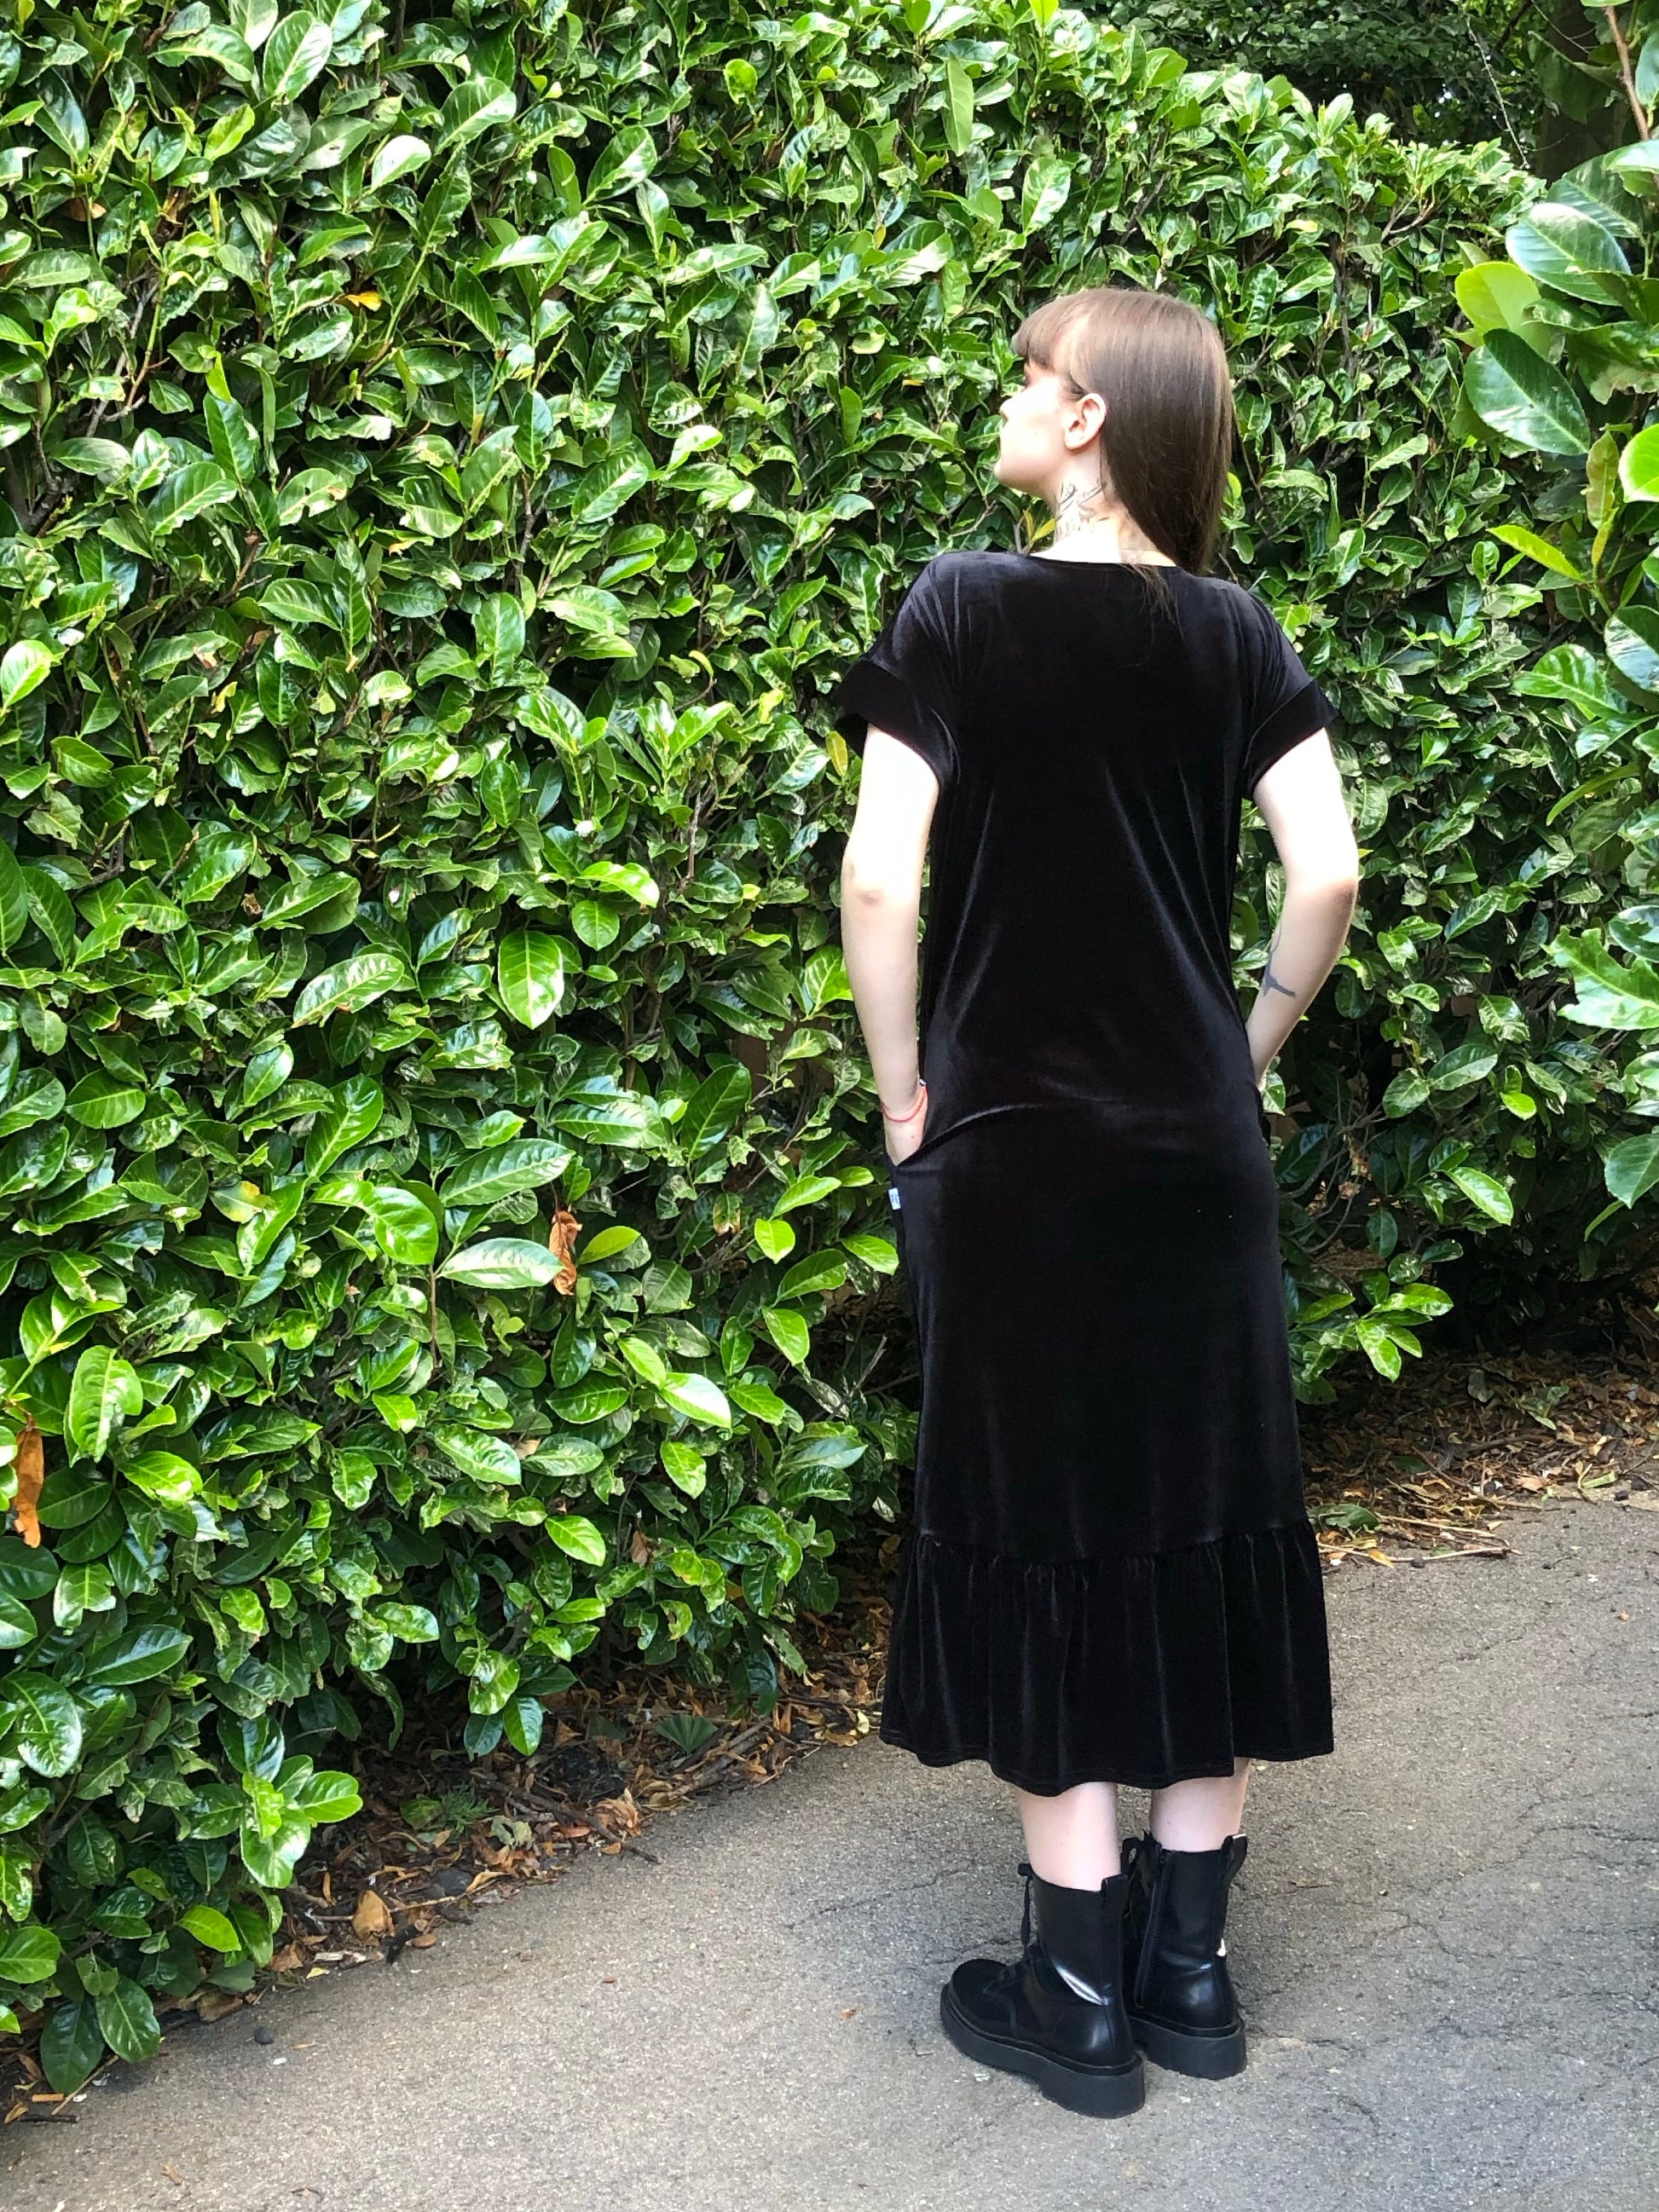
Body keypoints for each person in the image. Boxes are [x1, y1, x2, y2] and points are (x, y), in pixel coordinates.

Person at [830, 283, 1361, 2119]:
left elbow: (879, 885)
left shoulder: (956, 607)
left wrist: (903, 1091)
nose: (1007, 395)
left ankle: (1072, 1989)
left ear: (1087, 422)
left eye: (1029, 375)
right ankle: (1189, 1974)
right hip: (1191, 1148)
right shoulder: (1235, 631)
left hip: (1015, 1147)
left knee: (1046, 1518)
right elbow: (1324, 873)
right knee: (1206, 1509)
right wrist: (1247, 1040)